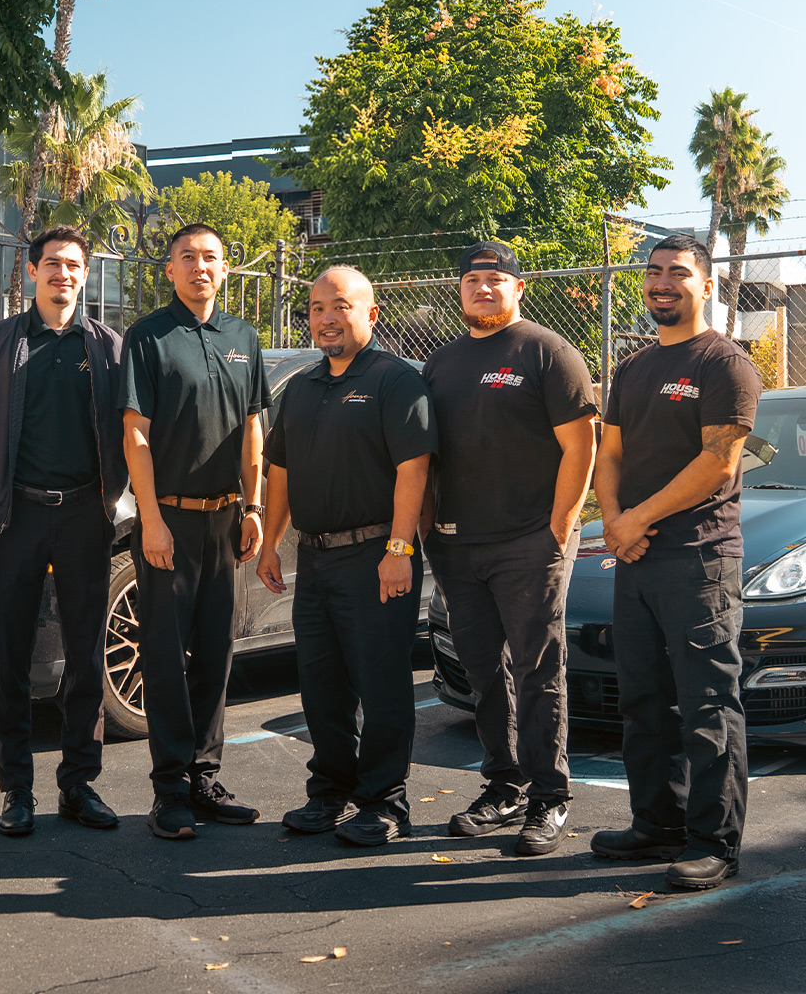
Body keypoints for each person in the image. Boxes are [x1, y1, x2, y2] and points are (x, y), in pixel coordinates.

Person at [590, 234, 762, 890]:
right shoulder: (633, 369)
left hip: (699, 560)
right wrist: (612, 521)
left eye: (679, 274)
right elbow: (609, 455)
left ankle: (713, 843)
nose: (664, 283)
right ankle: (654, 822)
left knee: (706, 703)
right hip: (634, 559)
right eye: (655, 272)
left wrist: (637, 519)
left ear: (707, 284)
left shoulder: (725, 364)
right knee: (643, 699)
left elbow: (716, 463)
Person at [422, 241, 597, 856]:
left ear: (519, 288)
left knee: (537, 668)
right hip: (456, 545)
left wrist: (560, 525)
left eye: (496, 279)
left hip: (530, 543)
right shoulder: (440, 363)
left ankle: (550, 796)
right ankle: (504, 785)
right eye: (473, 280)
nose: (484, 288)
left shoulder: (548, 352)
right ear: (460, 291)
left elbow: (582, 446)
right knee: (482, 674)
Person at [0, 225, 127, 837]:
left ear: (85, 274)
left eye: (73, 265)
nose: (62, 274)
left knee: (84, 655)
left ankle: (78, 784)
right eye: (51, 263)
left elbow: (128, 434)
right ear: (31, 273)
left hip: (85, 515)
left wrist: (107, 495)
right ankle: (16, 789)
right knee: (12, 658)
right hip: (15, 517)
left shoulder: (109, 348)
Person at [257, 265, 436, 846]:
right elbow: (278, 471)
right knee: (322, 686)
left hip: (375, 557)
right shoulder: (305, 386)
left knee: (382, 684)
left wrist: (399, 549)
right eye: (316, 308)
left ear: (371, 314)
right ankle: (330, 792)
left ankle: (385, 802)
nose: (327, 318)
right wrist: (267, 543)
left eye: (340, 306)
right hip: (315, 560)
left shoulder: (394, 381)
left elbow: (415, 468)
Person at [120, 223, 269, 840]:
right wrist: (151, 519)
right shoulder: (148, 337)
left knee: (215, 655)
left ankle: (206, 777)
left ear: (226, 269)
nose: (199, 267)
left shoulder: (244, 337)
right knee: (163, 656)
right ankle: (169, 790)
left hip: (226, 519)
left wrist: (255, 508)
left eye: (210, 258)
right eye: (188, 258)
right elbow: (135, 436)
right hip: (169, 521)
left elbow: (253, 430)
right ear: (170, 270)